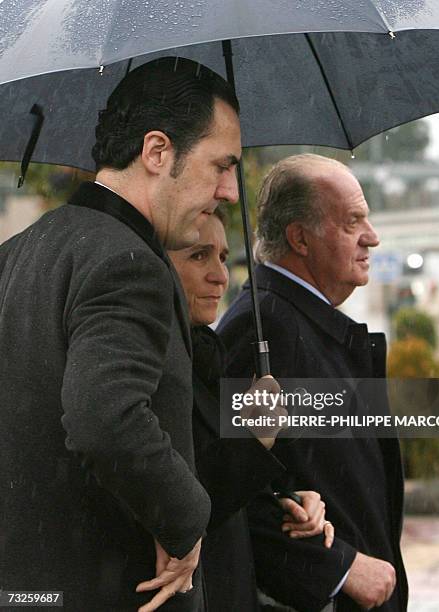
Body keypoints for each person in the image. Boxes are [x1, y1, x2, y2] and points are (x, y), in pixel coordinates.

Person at [0, 57, 241, 612]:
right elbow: (103, 418)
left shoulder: (19, 252)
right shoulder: (128, 262)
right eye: (220, 165)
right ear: (157, 152)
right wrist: (183, 521)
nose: (229, 190)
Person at [218, 154, 408, 611]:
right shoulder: (261, 330)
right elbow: (226, 489)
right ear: (300, 238)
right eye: (352, 221)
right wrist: (340, 569)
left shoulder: (300, 321)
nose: (372, 237)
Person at [169, 208, 335, 611]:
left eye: (223, 258)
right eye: (198, 256)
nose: (220, 276)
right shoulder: (160, 365)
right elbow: (190, 497)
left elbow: (228, 488)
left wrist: (289, 500)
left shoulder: (205, 356)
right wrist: (255, 441)